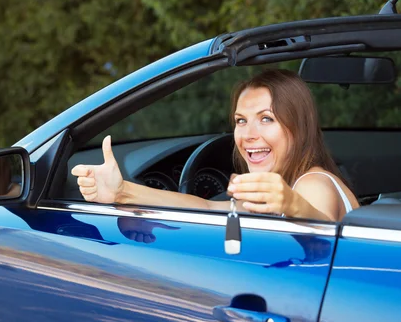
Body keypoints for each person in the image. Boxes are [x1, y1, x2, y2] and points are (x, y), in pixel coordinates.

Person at [71, 69, 359, 222]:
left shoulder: (312, 185)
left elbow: (323, 243)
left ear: (299, 126)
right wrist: (122, 191)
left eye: (267, 119)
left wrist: (294, 205)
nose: (248, 135)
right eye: (241, 121)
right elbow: (208, 207)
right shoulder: (287, 186)